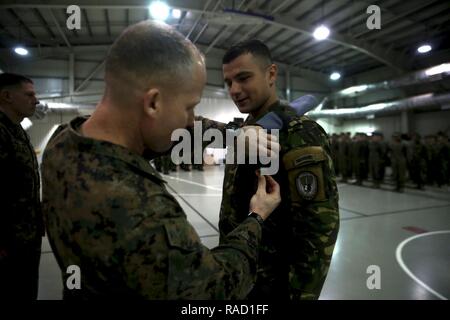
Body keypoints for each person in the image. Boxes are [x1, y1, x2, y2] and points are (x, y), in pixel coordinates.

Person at [41, 21, 281, 299]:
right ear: (153, 103)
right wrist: (256, 217)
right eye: (189, 107)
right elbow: (212, 289)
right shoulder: (141, 209)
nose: (191, 118)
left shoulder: (63, 143)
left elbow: (174, 133)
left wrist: (232, 135)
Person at [218, 40, 339, 300]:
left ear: (271, 74)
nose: (234, 90)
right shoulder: (246, 131)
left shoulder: (300, 133)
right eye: (228, 82)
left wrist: (300, 295)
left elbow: (318, 228)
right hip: (240, 275)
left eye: (243, 78)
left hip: (272, 285)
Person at [0, 73, 44, 300]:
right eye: (29, 95)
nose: (35, 100)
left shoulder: (16, 130)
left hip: (26, 237)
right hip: (8, 244)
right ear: (7, 96)